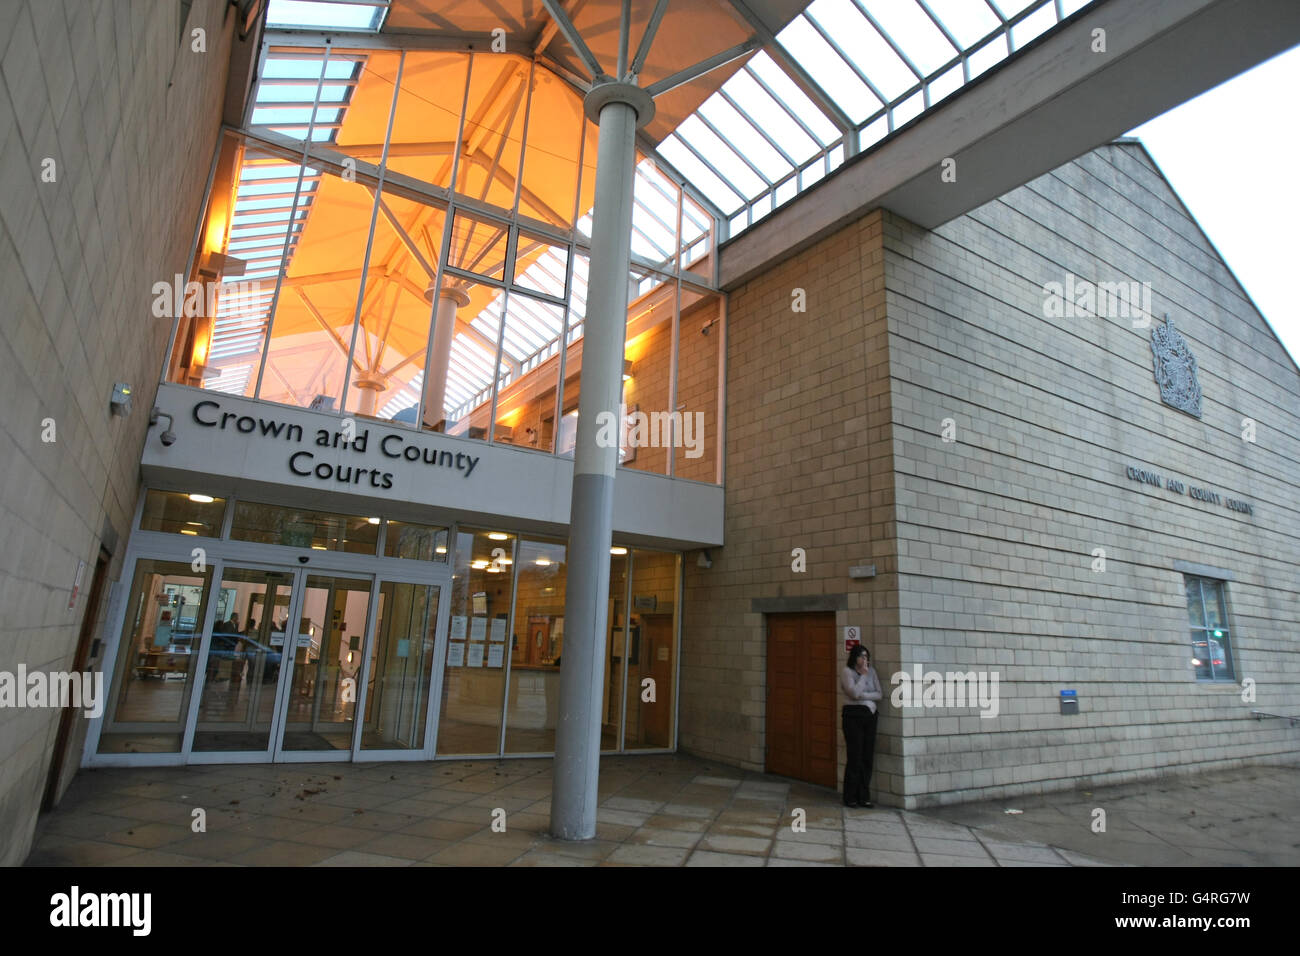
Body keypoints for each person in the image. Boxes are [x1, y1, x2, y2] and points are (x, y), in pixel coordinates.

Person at [841, 644, 882, 808]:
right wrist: (863, 677)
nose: (865, 660)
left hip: (870, 715)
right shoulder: (847, 672)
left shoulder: (872, 671)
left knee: (867, 757)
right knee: (855, 756)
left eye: (867, 657)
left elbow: (880, 694)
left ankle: (864, 796)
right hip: (853, 716)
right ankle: (850, 796)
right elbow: (854, 693)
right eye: (861, 656)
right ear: (854, 657)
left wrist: (864, 696)